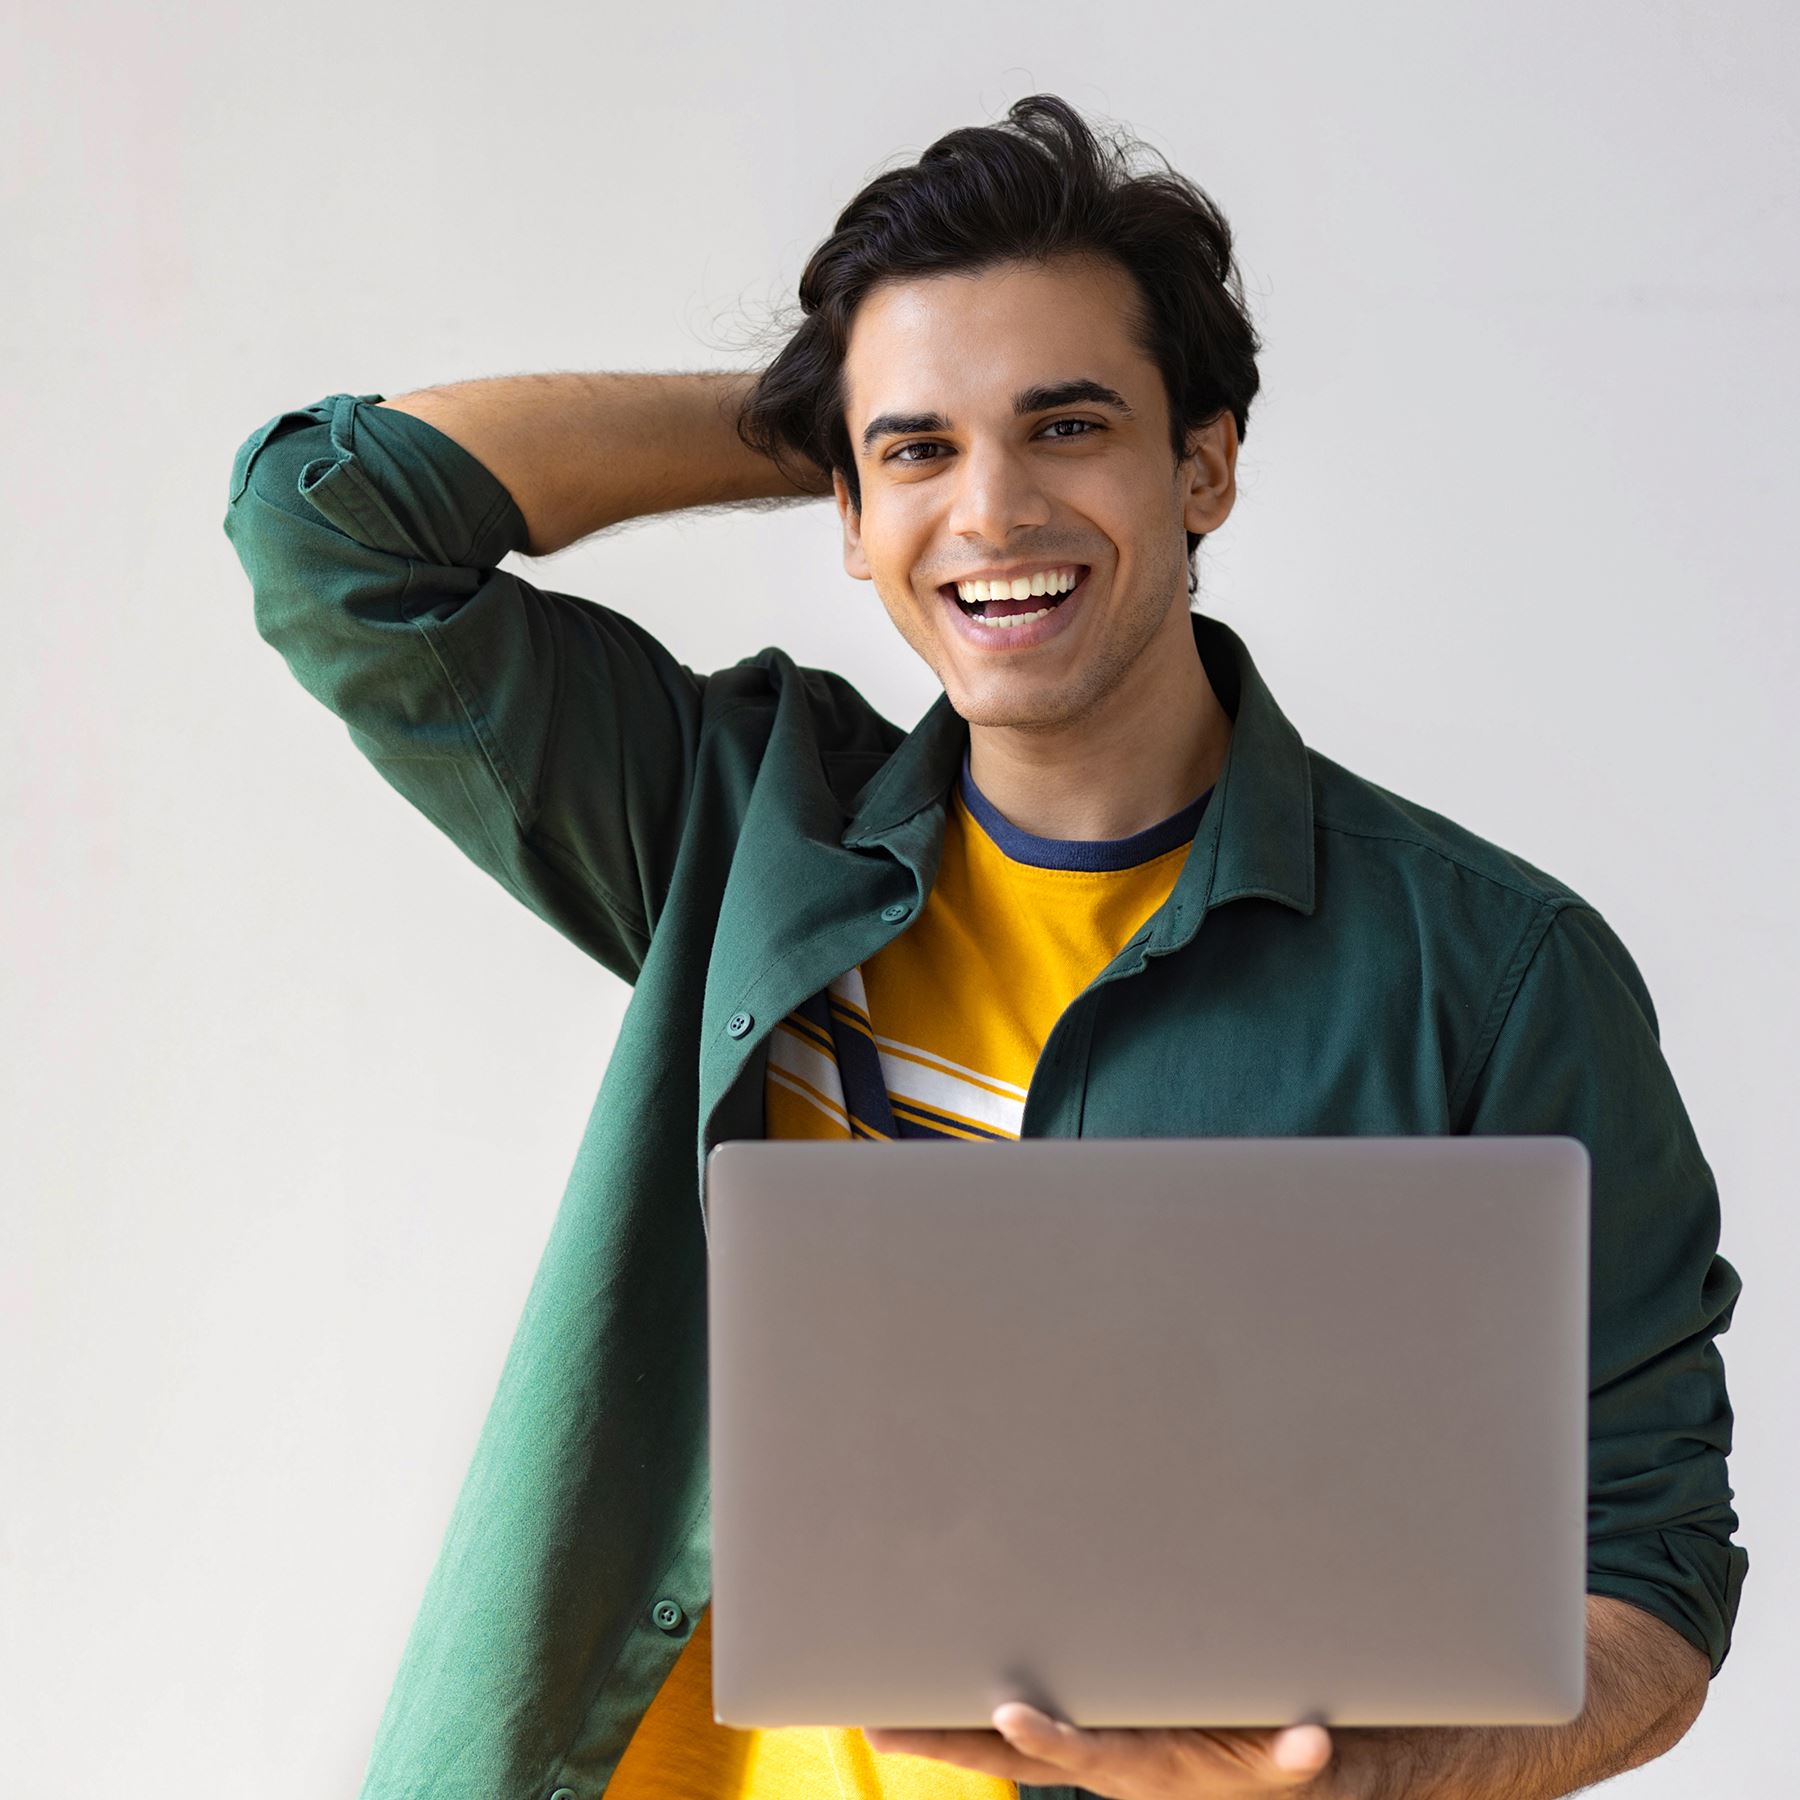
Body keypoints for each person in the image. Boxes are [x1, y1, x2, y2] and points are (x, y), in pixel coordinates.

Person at [222, 93, 1746, 1800]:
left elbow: (1650, 1577)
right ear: (845, 512)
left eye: (1067, 426)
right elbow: (329, 529)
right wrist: (829, 417)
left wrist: (1363, 1778)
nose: (997, 512)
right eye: (922, 452)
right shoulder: (740, 830)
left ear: (1206, 465)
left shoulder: (1497, 975)